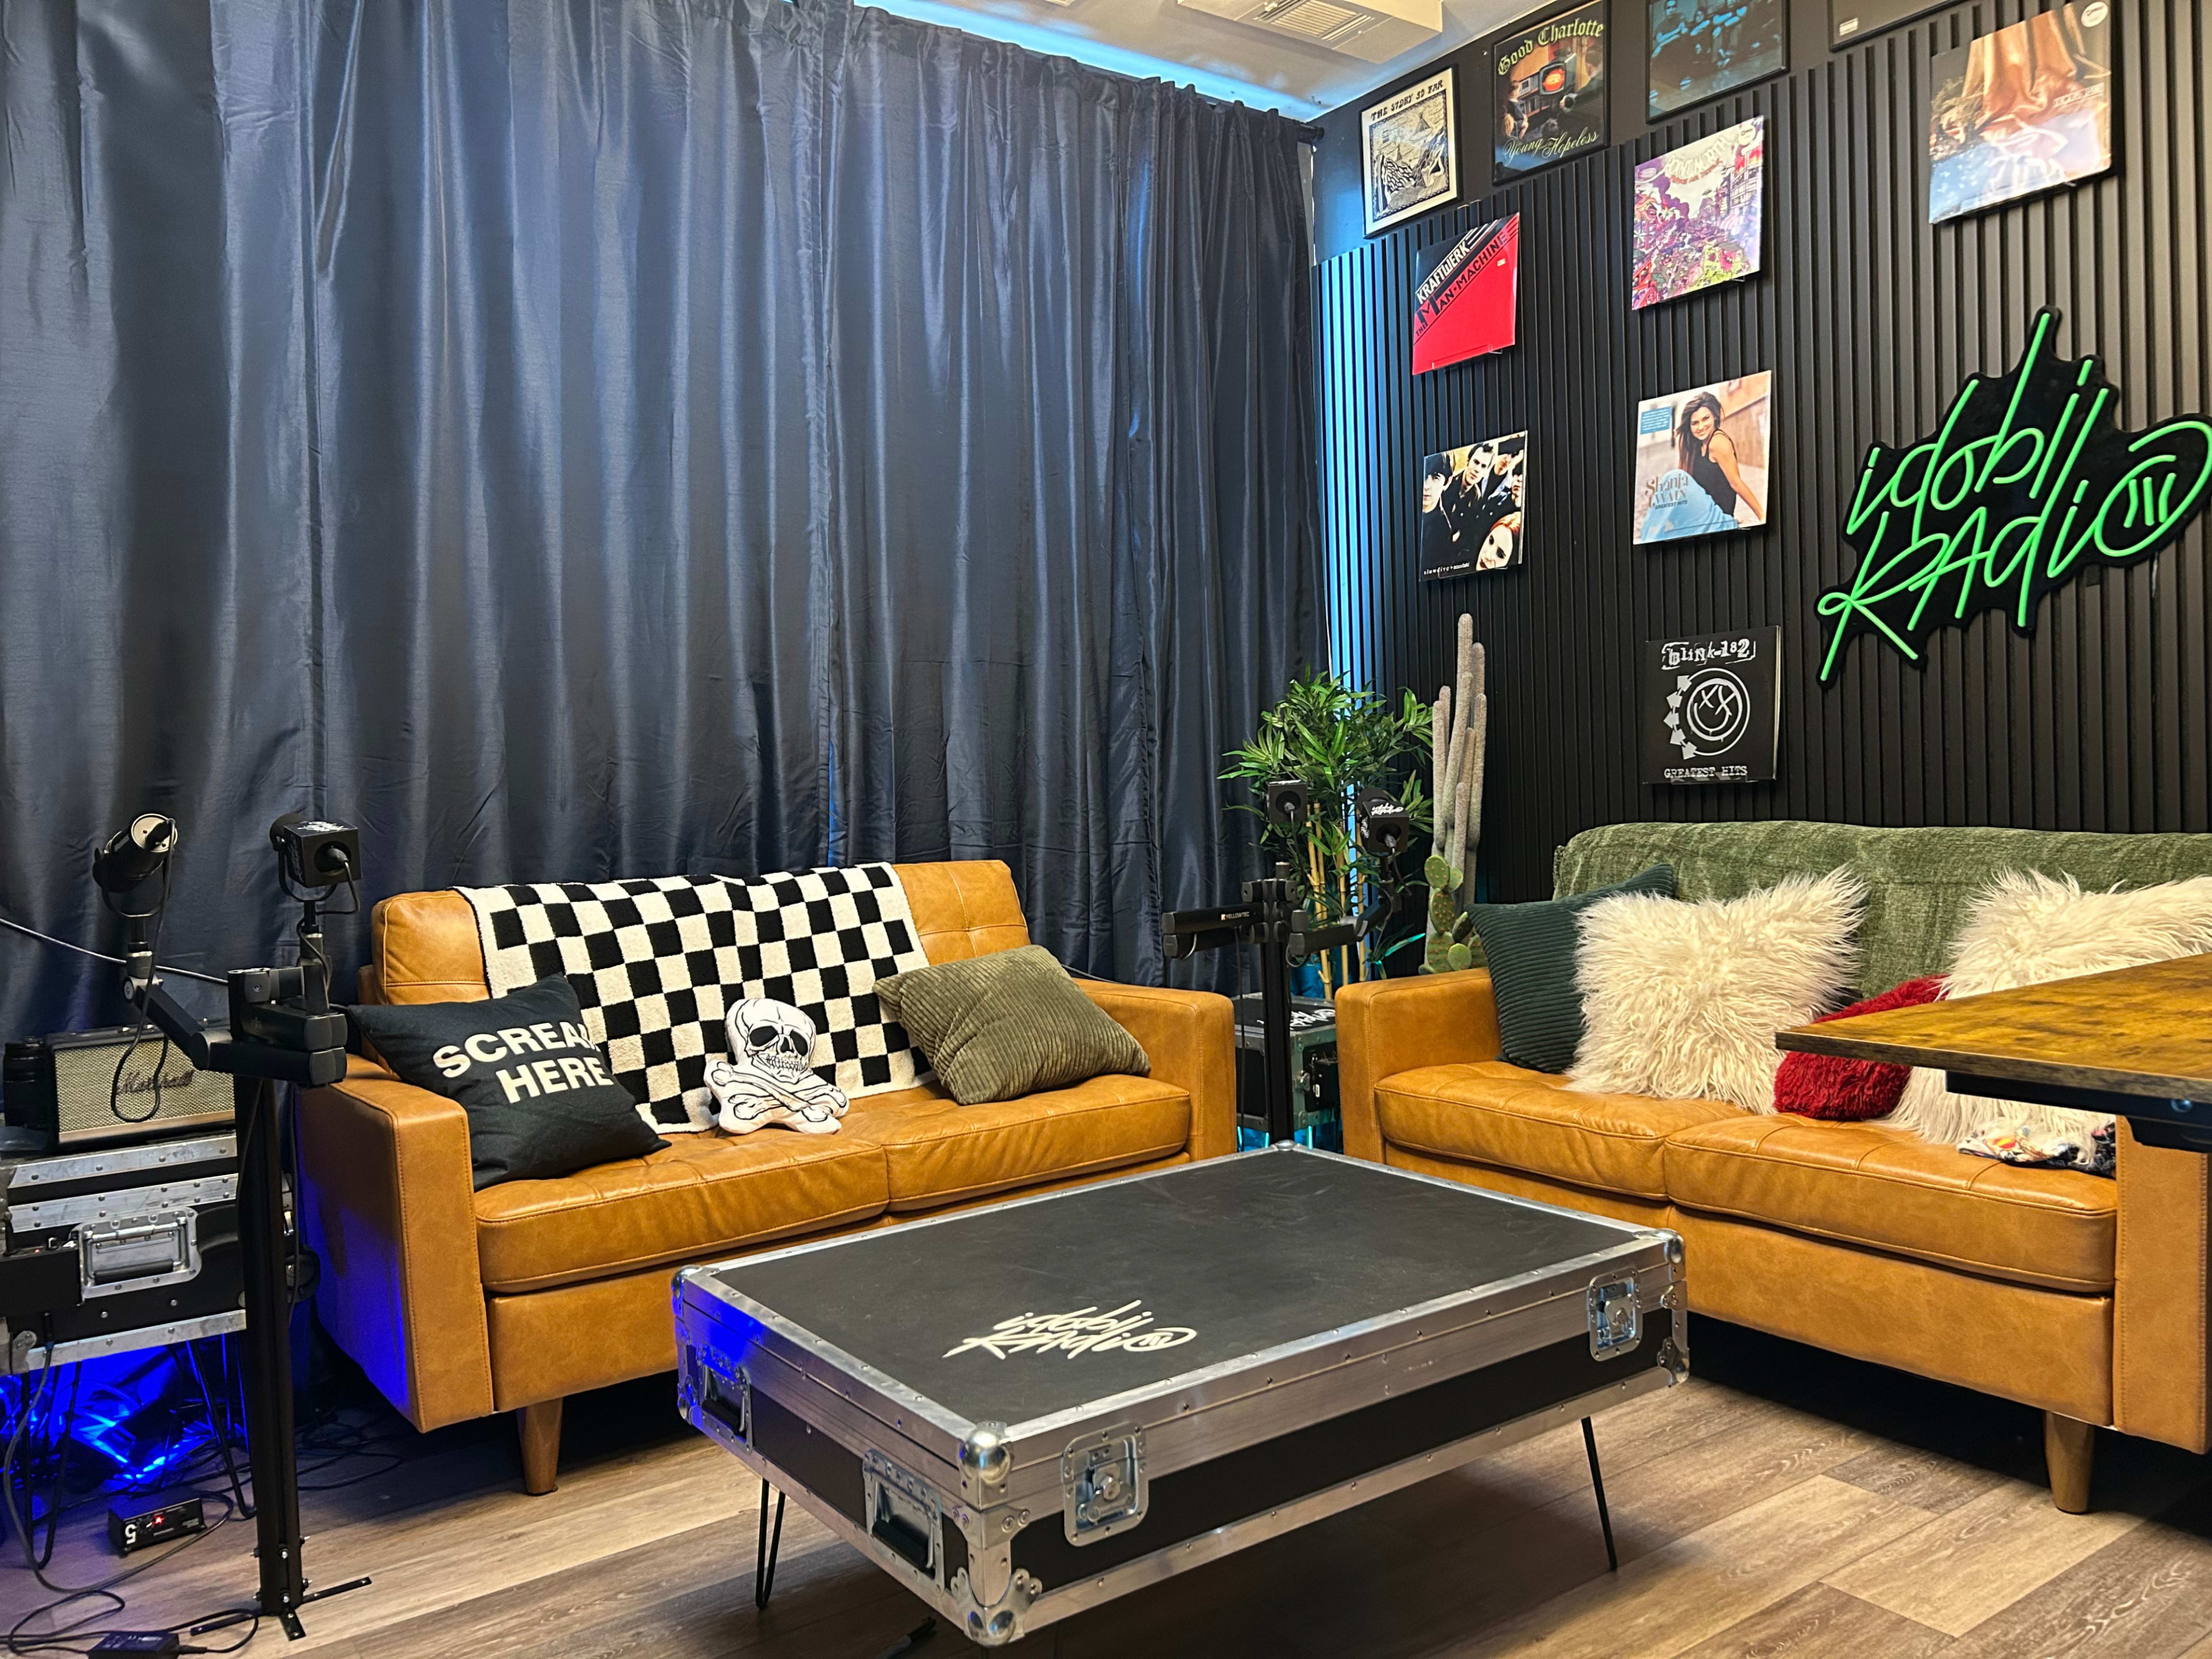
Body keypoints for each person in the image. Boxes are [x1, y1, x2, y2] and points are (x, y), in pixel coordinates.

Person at [1676, 391, 1763, 523]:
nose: (1701, 427)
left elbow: (1736, 483)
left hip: (1716, 518)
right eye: (1695, 423)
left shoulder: (1718, 443)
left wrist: (1761, 515)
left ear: (1715, 417)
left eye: (1706, 419)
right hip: (1702, 515)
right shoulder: (1694, 446)